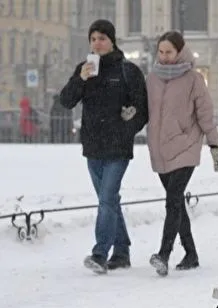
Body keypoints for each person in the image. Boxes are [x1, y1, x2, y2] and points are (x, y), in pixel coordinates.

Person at [59, 19, 149, 274]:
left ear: (112, 41)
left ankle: (100, 254)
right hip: (93, 147)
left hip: (118, 148)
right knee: (108, 200)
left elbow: (143, 110)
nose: (97, 43)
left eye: (102, 38)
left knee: (107, 199)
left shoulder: (127, 71)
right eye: (93, 39)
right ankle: (122, 252)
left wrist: (129, 124)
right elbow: (65, 101)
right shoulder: (85, 69)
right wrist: (80, 79)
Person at [145, 30, 218, 277]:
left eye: (169, 51)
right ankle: (191, 254)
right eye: (161, 51)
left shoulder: (193, 79)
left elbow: (205, 115)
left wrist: (214, 146)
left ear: (180, 52)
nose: (165, 56)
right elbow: (143, 110)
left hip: (186, 147)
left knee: (172, 200)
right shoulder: (152, 79)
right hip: (159, 149)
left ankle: (164, 254)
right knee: (176, 201)